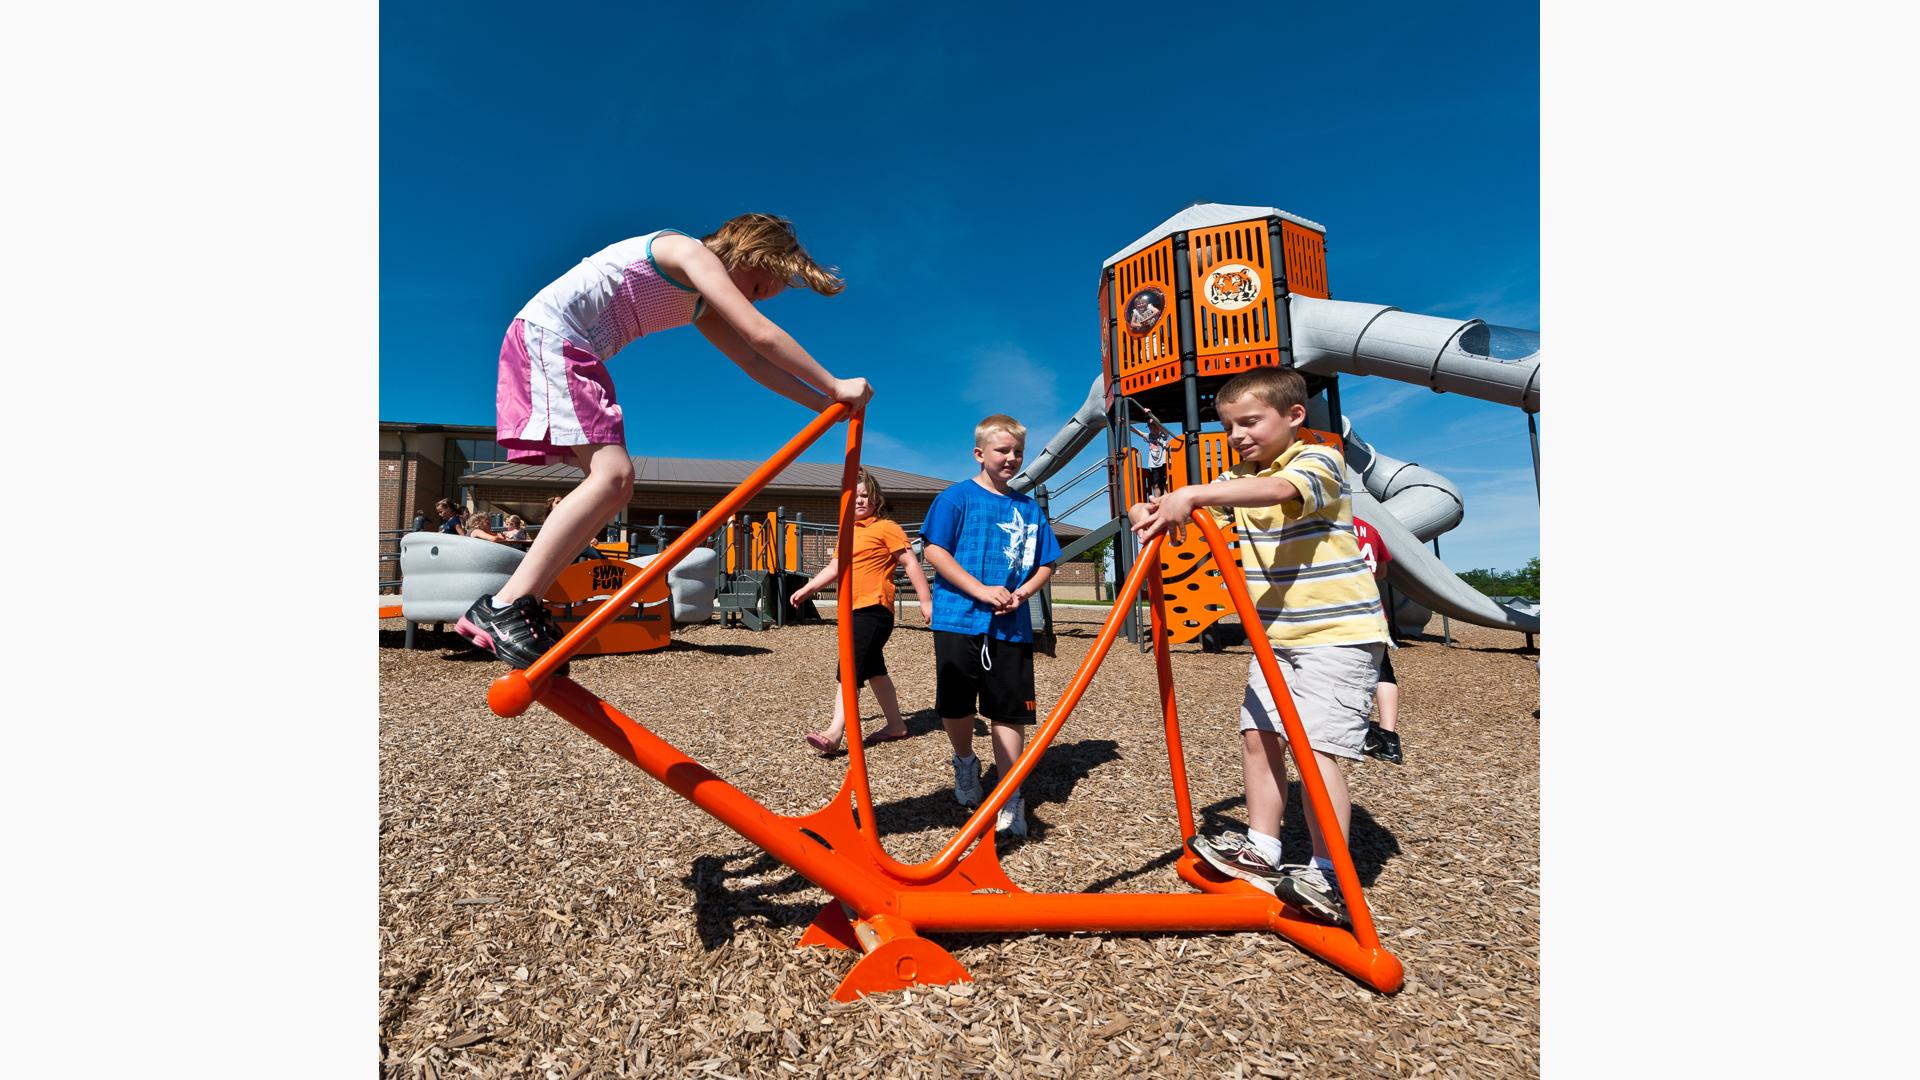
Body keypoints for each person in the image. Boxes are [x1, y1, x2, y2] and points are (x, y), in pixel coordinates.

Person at [454, 214, 873, 668]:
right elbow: (759, 334)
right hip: (554, 340)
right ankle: (505, 605)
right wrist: (835, 384)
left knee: (611, 490)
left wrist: (822, 406)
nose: (749, 301)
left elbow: (752, 361)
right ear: (750, 252)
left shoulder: (700, 305)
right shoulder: (686, 250)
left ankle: (522, 601)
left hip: (568, 349)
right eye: (755, 289)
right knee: (613, 478)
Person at [1129, 366, 1389, 926]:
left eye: (1249, 421)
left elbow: (1277, 491)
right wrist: (1153, 509)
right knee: (1259, 737)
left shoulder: (1317, 459)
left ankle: (1329, 873)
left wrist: (1193, 490)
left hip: (1336, 635)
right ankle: (1262, 847)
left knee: (1315, 752)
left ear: (1293, 416)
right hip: (1277, 638)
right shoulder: (1240, 475)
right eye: (1228, 425)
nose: (1237, 434)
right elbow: (1199, 514)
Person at [921, 415, 1062, 838]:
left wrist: (1022, 593)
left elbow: (1047, 563)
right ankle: (965, 763)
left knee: (1008, 710)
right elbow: (934, 551)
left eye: (1017, 451)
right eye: (1003, 450)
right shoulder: (955, 499)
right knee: (956, 704)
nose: (1011, 458)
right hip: (958, 620)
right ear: (980, 454)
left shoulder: (1028, 508)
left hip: (1011, 626)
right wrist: (981, 590)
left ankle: (1010, 794)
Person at [789, 469, 933, 756]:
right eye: (853, 497)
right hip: (851, 610)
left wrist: (925, 600)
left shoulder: (885, 527)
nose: (859, 501)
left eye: (865, 495)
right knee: (874, 669)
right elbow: (834, 568)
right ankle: (896, 725)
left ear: (876, 499)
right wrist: (808, 588)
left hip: (874, 608)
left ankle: (834, 732)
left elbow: (910, 563)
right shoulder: (847, 532)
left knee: (850, 668)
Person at [1351, 515, 1403, 765]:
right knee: (1383, 672)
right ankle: (1389, 738)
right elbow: (1381, 570)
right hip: (1373, 612)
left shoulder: (1326, 522)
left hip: (1338, 612)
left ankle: (1348, 732)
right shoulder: (1369, 528)